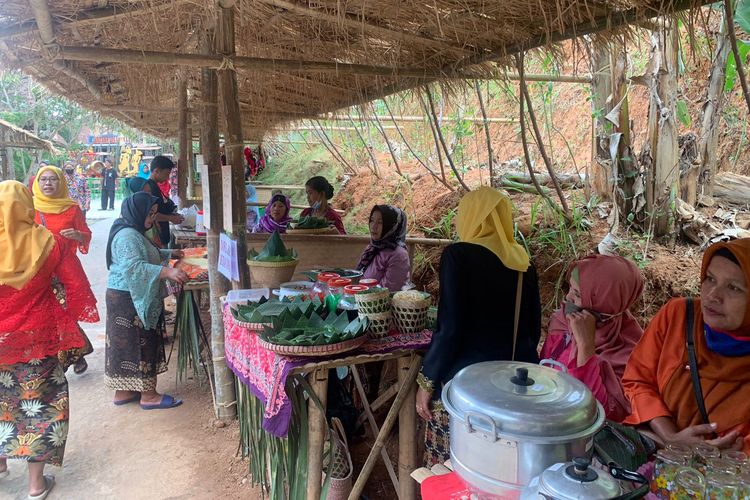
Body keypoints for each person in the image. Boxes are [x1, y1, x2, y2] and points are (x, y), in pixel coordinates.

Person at [416, 186, 542, 466]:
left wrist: (427, 381)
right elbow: (533, 331)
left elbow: (450, 328)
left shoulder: (459, 256)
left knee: (452, 468)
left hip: (466, 387)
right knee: (496, 471)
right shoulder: (523, 263)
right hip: (513, 387)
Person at [0, 180, 98, 499]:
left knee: (3, 404)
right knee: (40, 407)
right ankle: (35, 485)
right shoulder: (49, 243)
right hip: (39, 342)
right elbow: (72, 282)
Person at [623, 238, 750, 452]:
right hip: (653, 456)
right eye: (710, 279)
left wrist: (720, 460)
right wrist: (671, 437)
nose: (712, 295)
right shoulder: (679, 316)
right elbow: (638, 380)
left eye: (733, 288)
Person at [105, 192, 189, 409]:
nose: (152, 219)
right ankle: (149, 395)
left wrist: (169, 253)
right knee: (141, 341)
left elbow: (145, 253)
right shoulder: (127, 236)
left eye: (153, 214)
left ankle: (124, 391)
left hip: (122, 296)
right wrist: (167, 272)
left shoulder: (130, 230)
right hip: (129, 297)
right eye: (149, 214)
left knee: (125, 344)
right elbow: (134, 267)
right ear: (137, 212)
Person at [540, 254, 644, 422]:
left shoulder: (630, 354)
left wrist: (586, 347)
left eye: (578, 294)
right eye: (570, 289)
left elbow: (604, 414)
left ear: (604, 301)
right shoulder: (562, 324)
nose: (568, 298)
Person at [32, 165, 99, 375]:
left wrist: (78, 236)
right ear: (37, 182)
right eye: (44, 180)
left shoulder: (72, 208)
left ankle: (69, 355)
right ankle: (75, 353)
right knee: (47, 313)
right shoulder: (30, 207)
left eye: (53, 179)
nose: (48, 183)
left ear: (61, 182)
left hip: (66, 270)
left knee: (65, 311)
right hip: (40, 270)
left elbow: (86, 234)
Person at [128, 156, 184, 246]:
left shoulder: (155, 186)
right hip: (155, 235)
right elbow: (152, 214)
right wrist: (171, 218)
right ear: (157, 171)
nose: (167, 178)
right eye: (166, 174)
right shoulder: (150, 188)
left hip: (160, 233)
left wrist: (171, 215)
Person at [356, 204, 410, 292]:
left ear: (391, 225)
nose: (373, 226)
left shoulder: (399, 255)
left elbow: (387, 291)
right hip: (362, 301)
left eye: (380, 222)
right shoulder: (372, 248)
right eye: (372, 220)